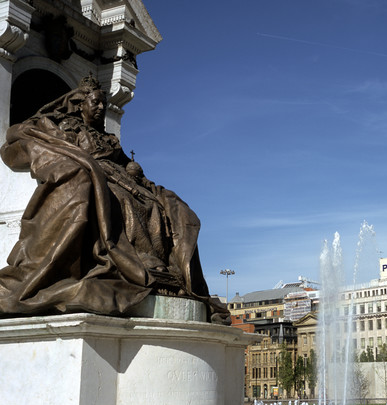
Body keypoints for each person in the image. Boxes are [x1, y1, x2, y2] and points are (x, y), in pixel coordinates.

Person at [0, 75, 230, 321]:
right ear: (80, 104)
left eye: (103, 104)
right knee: (120, 199)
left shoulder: (108, 138)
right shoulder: (68, 126)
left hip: (119, 175)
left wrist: (135, 170)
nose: (101, 108)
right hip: (97, 174)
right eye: (96, 103)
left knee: (155, 204)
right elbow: (44, 141)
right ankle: (134, 262)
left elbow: (125, 162)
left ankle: (156, 264)